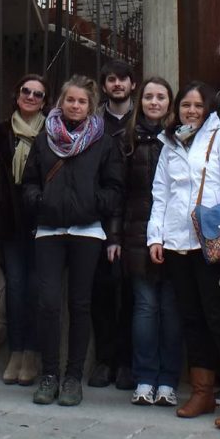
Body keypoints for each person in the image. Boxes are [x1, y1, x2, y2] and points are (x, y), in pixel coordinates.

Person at [147, 81, 220, 430]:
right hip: (178, 245)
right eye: (185, 106)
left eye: (197, 105)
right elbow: (160, 194)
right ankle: (202, 391)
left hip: (213, 243)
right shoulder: (170, 143)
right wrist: (156, 236)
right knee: (191, 319)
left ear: (207, 109)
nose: (191, 111)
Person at [22, 75, 124, 407]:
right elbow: (30, 182)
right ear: (61, 102)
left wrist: (93, 204)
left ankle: (72, 378)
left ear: (90, 106)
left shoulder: (103, 142)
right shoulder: (43, 139)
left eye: (81, 101)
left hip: (87, 231)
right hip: (49, 230)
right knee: (48, 302)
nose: (75, 106)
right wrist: (40, 202)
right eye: (70, 100)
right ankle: (49, 374)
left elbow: (114, 187)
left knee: (80, 305)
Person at [106, 76, 183, 407]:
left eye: (161, 97)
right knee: (145, 308)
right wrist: (114, 235)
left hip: (176, 234)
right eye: (149, 96)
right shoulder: (127, 139)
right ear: (141, 101)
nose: (154, 102)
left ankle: (168, 380)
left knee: (170, 309)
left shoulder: (182, 140)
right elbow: (117, 191)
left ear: (170, 103)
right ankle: (144, 377)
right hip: (137, 233)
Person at [0, 74, 50, 386]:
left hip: (41, 221)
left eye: (38, 94)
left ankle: (33, 353)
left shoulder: (52, 132)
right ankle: (16, 351)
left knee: (37, 289)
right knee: (16, 289)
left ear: (45, 101)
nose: (31, 97)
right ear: (17, 94)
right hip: (9, 223)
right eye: (26, 91)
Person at [90, 59, 137, 390]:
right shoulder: (94, 124)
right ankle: (103, 360)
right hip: (99, 215)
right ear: (104, 86)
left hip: (137, 218)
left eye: (122, 79)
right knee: (101, 295)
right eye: (111, 79)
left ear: (132, 84)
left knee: (133, 295)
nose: (117, 84)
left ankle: (126, 361)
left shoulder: (145, 118)